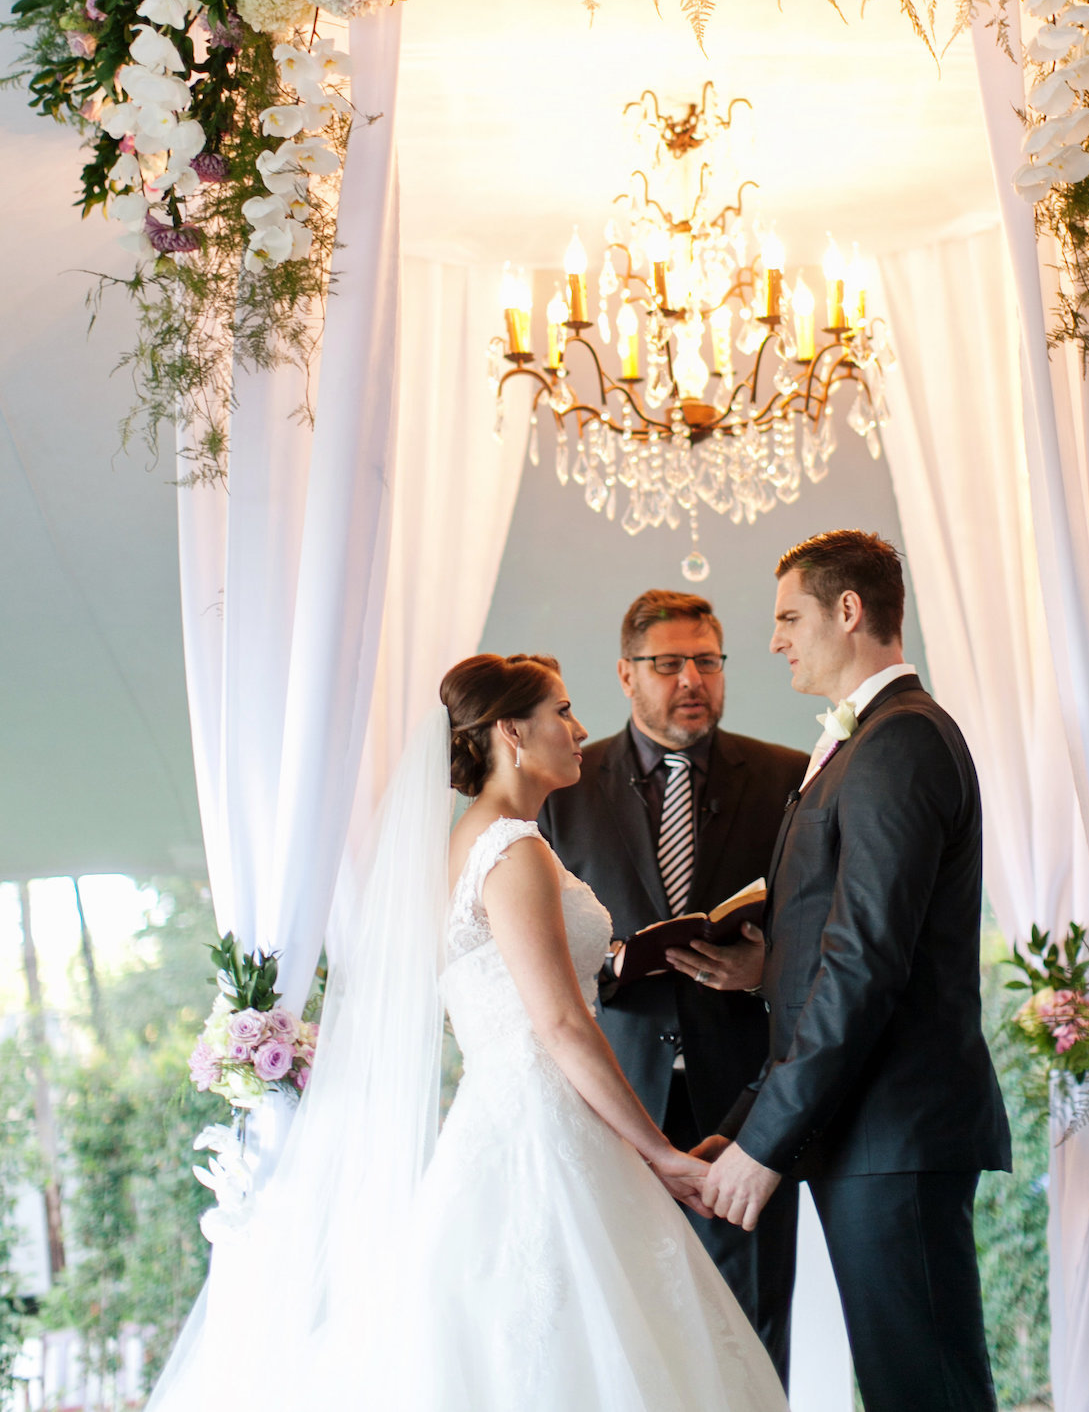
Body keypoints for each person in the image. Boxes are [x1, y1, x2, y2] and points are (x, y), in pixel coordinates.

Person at [143, 653, 788, 1412]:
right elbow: (559, 1024)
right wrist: (661, 1154)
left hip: (516, 1118)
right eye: (562, 712)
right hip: (544, 1133)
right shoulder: (514, 852)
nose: (579, 731)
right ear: (513, 731)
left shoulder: (474, 845)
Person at [696, 530, 1011, 1412]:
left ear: (849, 610)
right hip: (868, 1129)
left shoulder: (900, 741)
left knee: (926, 1390)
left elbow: (865, 962)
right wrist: (750, 1101)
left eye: (789, 616)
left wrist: (767, 1142)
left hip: (895, 1130)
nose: (775, 639)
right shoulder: (864, 741)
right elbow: (834, 949)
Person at [539, 592, 804, 1383]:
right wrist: (608, 964)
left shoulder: (788, 777)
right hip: (614, 1101)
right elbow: (529, 950)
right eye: (668, 664)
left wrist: (766, 972)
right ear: (626, 674)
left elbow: (824, 931)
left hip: (748, 1105)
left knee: (748, 1334)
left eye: (709, 661)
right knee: (623, 1328)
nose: (692, 679)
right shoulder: (564, 789)